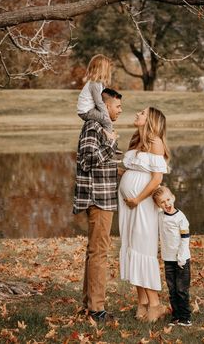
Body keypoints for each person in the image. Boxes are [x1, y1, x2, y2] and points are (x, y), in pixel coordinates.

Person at [73, 88, 122, 322]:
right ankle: (97, 309)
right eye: (117, 106)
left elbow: (102, 164)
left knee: (95, 252)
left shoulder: (101, 128)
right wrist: (110, 144)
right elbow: (87, 159)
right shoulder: (94, 126)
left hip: (103, 198)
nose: (120, 110)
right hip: (98, 200)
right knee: (99, 253)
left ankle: (88, 305)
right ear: (105, 106)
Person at [118, 107, 170, 323]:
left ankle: (155, 304)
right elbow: (136, 170)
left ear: (151, 120)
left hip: (143, 204)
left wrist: (137, 199)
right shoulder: (136, 140)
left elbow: (157, 178)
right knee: (132, 248)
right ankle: (142, 303)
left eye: (142, 112)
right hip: (128, 204)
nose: (137, 114)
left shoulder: (155, 142)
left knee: (143, 249)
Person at [152, 186, 192, 327]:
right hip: (168, 259)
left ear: (173, 198)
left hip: (181, 260)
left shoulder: (180, 218)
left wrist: (182, 256)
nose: (166, 204)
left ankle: (185, 317)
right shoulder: (160, 216)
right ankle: (176, 316)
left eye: (168, 199)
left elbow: (185, 238)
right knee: (172, 289)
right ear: (158, 205)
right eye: (162, 202)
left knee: (181, 290)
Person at [77, 54, 113, 133]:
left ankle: (104, 134)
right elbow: (99, 102)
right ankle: (108, 141)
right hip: (86, 111)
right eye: (108, 70)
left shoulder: (99, 84)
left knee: (105, 118)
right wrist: (107, 116)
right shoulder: (94, 84)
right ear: (101, 70)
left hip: (90, 109)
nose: (109, 72)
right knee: (107, 122)